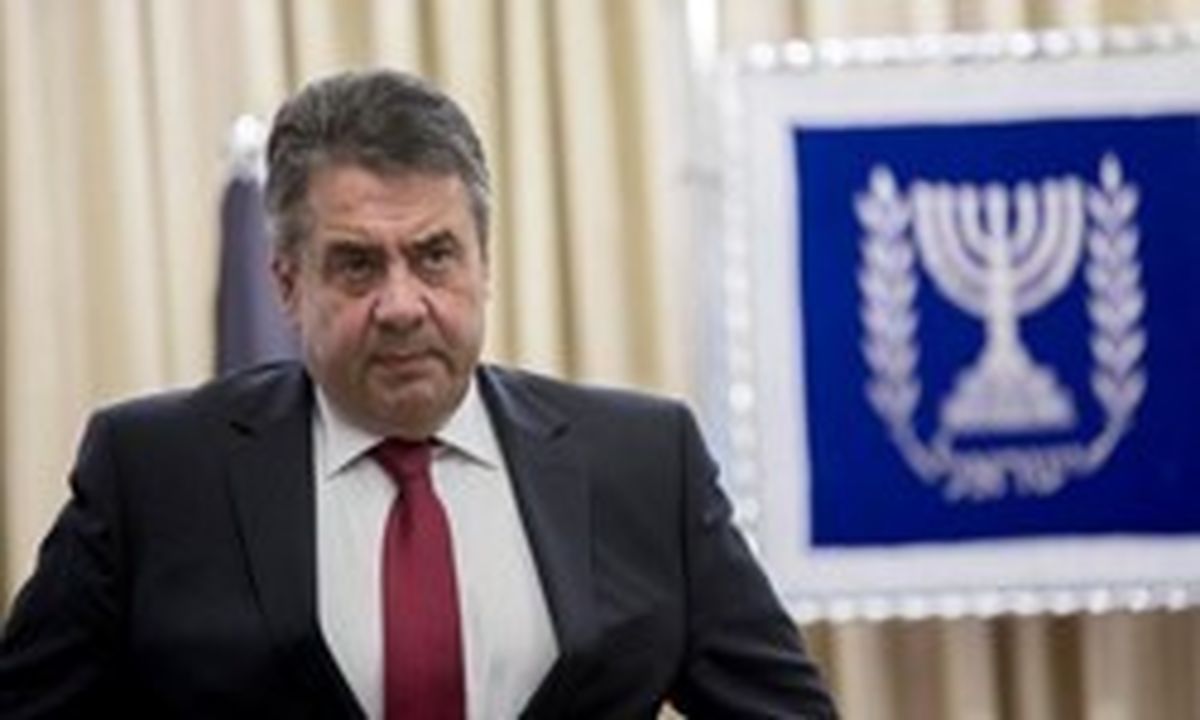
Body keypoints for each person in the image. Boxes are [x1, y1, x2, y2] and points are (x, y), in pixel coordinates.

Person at [0, 69, 837, 719]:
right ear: (287, 283)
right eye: (357, 265)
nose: (401, 305)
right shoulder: (153, 474)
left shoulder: (646, 464)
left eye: (435, 255)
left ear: (484, 262)